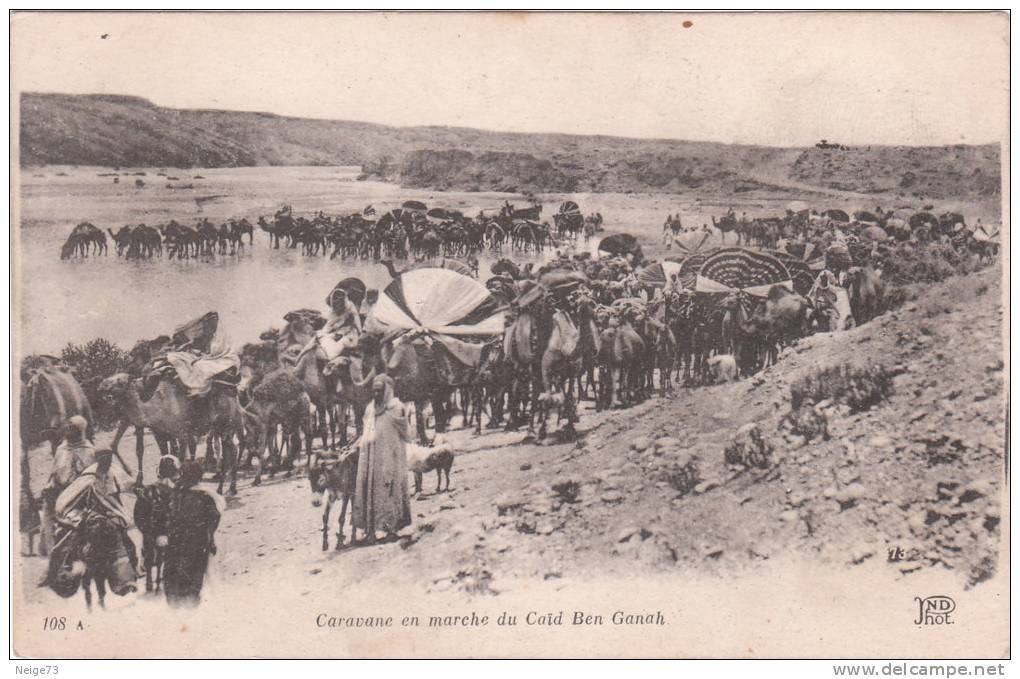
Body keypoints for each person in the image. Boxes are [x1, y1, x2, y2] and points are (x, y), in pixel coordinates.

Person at [352, 374, 412, 544]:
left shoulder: (396, 408)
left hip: (391, 459)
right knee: (372, 491)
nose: (376, 394)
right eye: (374, 391)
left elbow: (407, 434)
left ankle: (392, 529)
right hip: (371, 459)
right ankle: (373, 530)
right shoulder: (370, 409)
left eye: (380, 391)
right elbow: (365, 433)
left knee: (390, 491)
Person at [163, 460, 221, 608]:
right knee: (194, 578)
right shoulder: (204, 496)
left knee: (175, 578)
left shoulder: (176, 494)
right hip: (197, 542)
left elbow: (168, 517)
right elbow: (214, 519)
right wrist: (211, 538)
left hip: (177, 542)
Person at [40, 416, 96, 554]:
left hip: (78, 496)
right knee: (48, 507)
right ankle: (51, 548)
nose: (68, 430)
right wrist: (49, 486)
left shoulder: (88, 450)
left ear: (80, 431)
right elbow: (55, 472)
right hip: (59, 490)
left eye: (72, 428)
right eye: (68, 427)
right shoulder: (61, 448)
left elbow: (90, 478)